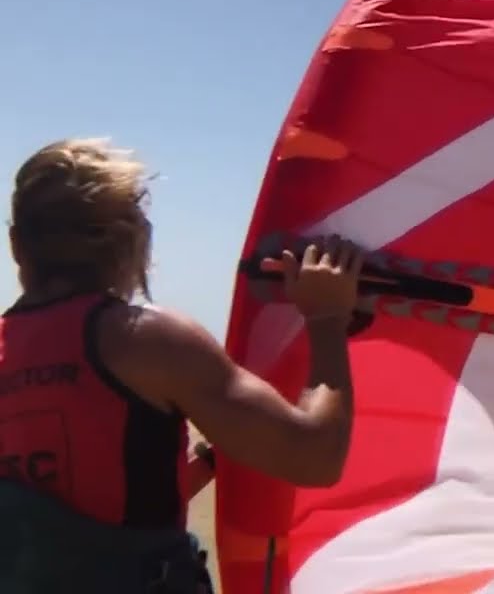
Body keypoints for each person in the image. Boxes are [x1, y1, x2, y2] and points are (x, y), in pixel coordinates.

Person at [0, 138, 365, 593]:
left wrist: (210, 458)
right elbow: (315, 458)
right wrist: (327, 318)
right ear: (134, 239)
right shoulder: (146, 340)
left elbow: (54, 510)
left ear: (16, 243)